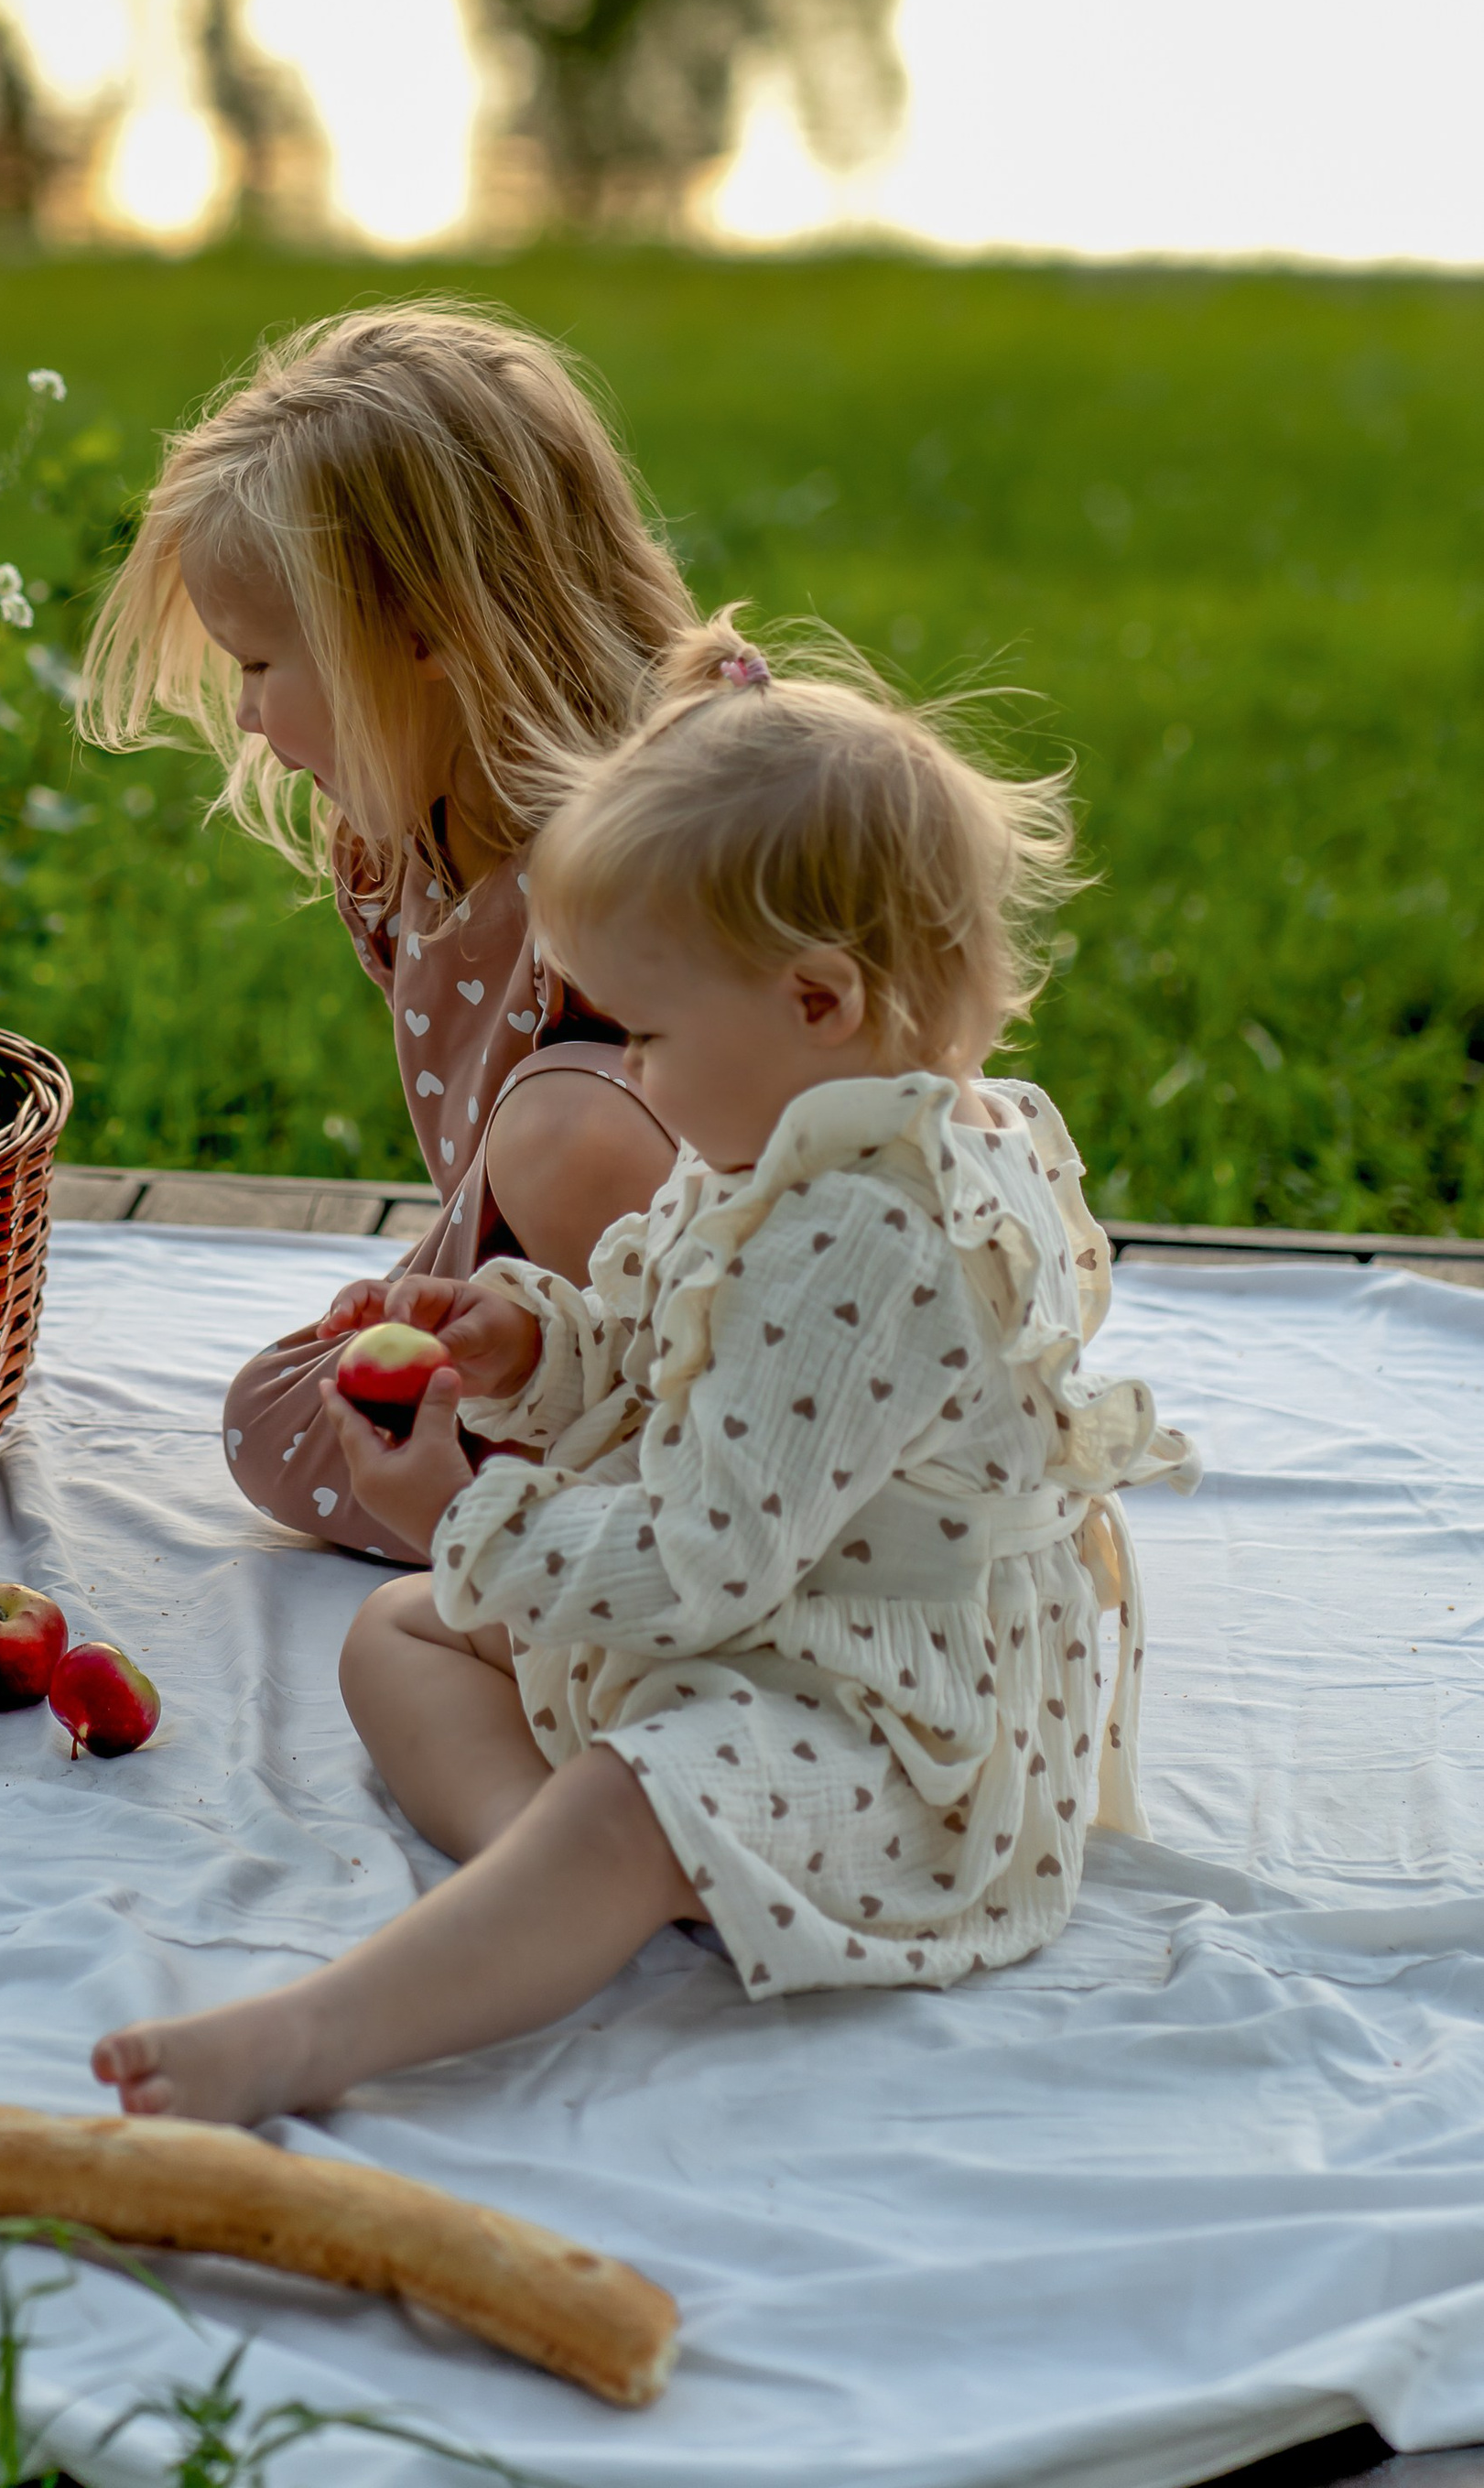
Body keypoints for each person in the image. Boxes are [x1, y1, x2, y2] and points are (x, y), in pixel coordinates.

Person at [90, 621, 1197, 2125]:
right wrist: (529, 1343)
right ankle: (568, 1886)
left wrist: (455, 1517)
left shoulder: (875, 1232)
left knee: (585, 1755)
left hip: (869, 1716)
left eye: (651, 1034)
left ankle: (324, 2033)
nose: (636, 1079)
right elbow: (664, 1325)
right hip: (763, 1621)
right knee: (398, 1643)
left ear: (817, 1000)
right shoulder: (792, 1135)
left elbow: (700, 1563)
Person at [79, 299, 689, 1563]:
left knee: (561, 1131)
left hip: (745, 1310)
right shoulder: (410, 832)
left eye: (259, 666)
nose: (245, 716)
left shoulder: (644, 848)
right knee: (283, 1418)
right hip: (553, 1313)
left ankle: (677, 1508)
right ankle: (563, 1487)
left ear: (421, 635)